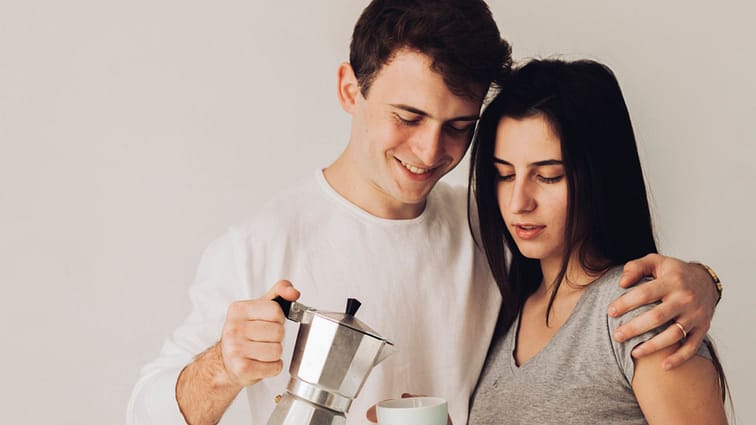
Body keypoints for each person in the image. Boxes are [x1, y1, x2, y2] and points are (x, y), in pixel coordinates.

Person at [126, 1, 723, 424]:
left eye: (458, 128)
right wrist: (222, 368)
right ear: (348, 89)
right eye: (408, 118)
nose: (430, 151)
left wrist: (702, 281)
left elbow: (593, 289)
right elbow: (143, 415)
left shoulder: (491, 230)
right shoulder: (256, 247)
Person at [467, 58, 728, 424]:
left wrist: (707, 280)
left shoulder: (638, 312)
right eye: (505, 175)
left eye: (549, 176)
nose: (518, 203)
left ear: (599, 177)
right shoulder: (506, 311)